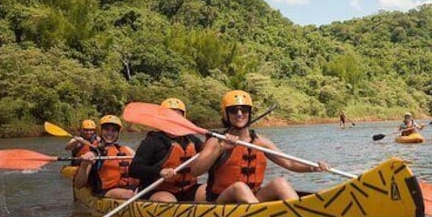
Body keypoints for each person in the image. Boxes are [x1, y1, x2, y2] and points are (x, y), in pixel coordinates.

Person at [189, 90, 330, 204]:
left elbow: (289, 163)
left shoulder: (260, 142)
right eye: (233, 110)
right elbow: (195, 171)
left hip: (252, 199)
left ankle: (300, 216)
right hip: (222, 202)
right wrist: (220, 148)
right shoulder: (216, 141)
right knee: (240, 187)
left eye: (244, 110)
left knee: (279, 183)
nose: (239, 114)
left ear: (249, 113)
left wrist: (313, 167)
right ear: (226, 115)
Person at [129, 98, 204, 202]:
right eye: (169, 117)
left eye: (177, 117)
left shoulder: (191, 139)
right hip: (158, 190)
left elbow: (209, 150)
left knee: (208, 191)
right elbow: (134, 169)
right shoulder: (152, 141)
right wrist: (159, 171)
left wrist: (216, 142)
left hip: (187, 190)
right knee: (168, 201)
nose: (173, 120)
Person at [73, 115, 139, 199]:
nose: (110, 133)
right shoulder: (94, 152)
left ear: (118, 133)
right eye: (106, 129)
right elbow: (78, 185)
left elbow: (141, 160)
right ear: (100, 131)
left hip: (127, 188)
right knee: (128, 194)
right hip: (105, 191)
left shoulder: (125, 149)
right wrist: (84, 165)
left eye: (114, 130)